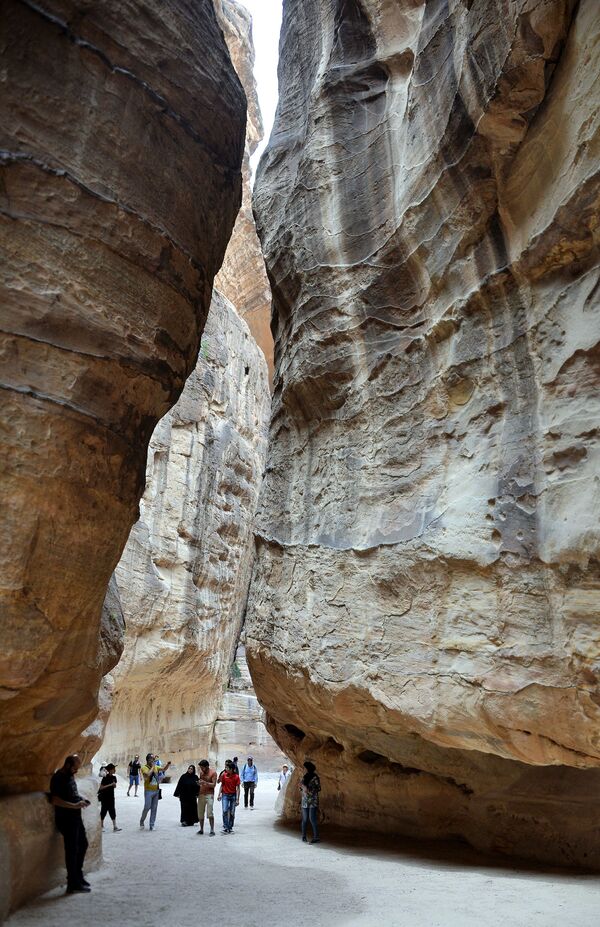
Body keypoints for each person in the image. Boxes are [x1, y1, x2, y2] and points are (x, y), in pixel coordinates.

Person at [49, 754, 92, 894]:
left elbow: (72, 794)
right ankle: (72, 883)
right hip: (66, 819)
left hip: (75, 818)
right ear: (67, 765)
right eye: (75, 768)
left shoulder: (69, 776)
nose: (76, 771)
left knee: (83, 844)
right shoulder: (57, 778)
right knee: (72, 851)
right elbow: (55, 800)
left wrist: (82, 799)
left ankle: (78, 877)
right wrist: (74, 806)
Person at [139, 753, 171, 831]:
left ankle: (152, 825)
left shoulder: (156, 767)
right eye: (151, 759)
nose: (153, 761)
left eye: (154, 759)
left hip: (156, 791)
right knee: (147, 807)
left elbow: (163, 769)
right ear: (148, 760)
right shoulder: (144, 768)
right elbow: (147, 776)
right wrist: (153, 767)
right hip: (148, 791)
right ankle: (142, 821)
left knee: (154, 808)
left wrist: (168, 764)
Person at [300, 760, 321, 844]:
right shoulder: (305, 776)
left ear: (308, 768)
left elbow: (319, 788)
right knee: (305, 819)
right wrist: (302, 788)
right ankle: (303, 836)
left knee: (312, 819)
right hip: (305, 801)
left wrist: (308, 789)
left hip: (313, 801)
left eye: (305, 768)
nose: (304, 769)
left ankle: (316, 837)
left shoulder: (315, 777)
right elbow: (300, 787)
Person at [217, 760, 240, 834]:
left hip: (233, 795)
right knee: (225, 811)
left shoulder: (236, 777)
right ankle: (226, 827)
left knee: (232, 812)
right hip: (225, 795)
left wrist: (237, 799)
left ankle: (230, 827)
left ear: (232, 769)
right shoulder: (224, 775)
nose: (226, 769)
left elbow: (238, 788)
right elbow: (222, 785)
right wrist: (219, 794)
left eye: (227, 768)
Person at [97, 763, 122, 832]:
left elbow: (115, 786)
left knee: (112, 810)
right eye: (114, 769)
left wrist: (114, 785)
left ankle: (115, 826)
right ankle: (101, 826)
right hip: (104, 796)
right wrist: (110, 784)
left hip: (111, 796)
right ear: (110, 770)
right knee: (103, 811)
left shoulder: (114, 777)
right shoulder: (105, 777)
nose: (115, 770)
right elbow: (101, 788)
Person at [197, 759, 217, 836]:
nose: (201, 769)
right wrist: (199, 783)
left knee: (210, 813)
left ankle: (212, 830)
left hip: (209, 794)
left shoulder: (213, 773)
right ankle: (201, 829)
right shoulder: (201, 773)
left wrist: (205, 783)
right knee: (200, 813)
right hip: (201, 794)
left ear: (207, 766)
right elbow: (201, 782)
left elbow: (214, 785)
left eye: (203, 767)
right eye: (201, 768)